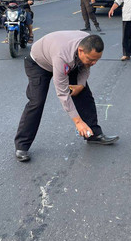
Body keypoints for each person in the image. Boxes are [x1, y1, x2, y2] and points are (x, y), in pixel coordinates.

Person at [13, 31, 119, 162]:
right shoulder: (62, 57)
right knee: (37, 102)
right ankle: (22, 146)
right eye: (92, 59)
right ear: (80, 51)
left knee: (84, 94)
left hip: (70, 61)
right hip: (39, 64)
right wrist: (78, 122)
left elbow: (85, 67)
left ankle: (93, 135)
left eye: (96, 60)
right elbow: (63, 93)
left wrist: (80, 85)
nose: (94, 63)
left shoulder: (87, 42)